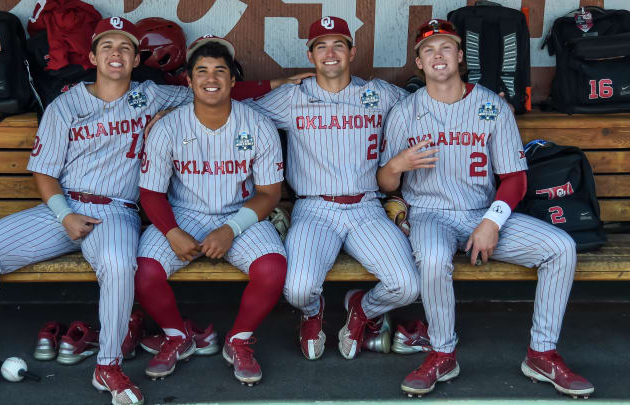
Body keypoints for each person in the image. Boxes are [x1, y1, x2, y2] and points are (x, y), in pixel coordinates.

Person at [0, 17, 198, 405]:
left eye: (125, 48)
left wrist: (169, 117)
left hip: (115, 212)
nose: (116, 54)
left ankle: (108, 366)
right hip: (62, 207)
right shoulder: (65, 105)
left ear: (135, 60)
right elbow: (45, 174)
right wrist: (64, 214)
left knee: (119, 263)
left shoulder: (150, 95)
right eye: (107, 47)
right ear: (92, 56)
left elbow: (209, 95)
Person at [377, 19, 594, 398]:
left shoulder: (493, 107)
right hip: (429, 212)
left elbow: (515, 179)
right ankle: (443, 352)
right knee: (431, 258)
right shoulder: (403, 112)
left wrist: (492, 223)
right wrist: (395, 166)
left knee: (560, 247)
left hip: (482, 210)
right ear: (419, 62)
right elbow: (385, 184)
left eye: (446, 47)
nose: (438, 55)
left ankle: (542, 353)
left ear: (460, 56)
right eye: (428, 50)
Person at [244, 16, 421, 361]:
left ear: (352, 52)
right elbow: (228, 107)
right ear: (310, 55)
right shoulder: (291, 97)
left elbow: (425, 105)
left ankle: (362, 308)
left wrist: (487, 101)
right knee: (296, 290)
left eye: (338, 44)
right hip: (314, 209)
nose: (330, 53)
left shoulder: (378, 93)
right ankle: (312, 311)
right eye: (321, 46)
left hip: (366, 208)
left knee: (407, 286)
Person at [134, 36, 287, 386]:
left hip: (240, 212)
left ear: (234, 80)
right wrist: (171, 231)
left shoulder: (257, 124)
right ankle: (177, 336)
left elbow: (268, 193)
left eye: (220, 70)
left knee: (272, 268)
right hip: (183, 212)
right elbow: (151, 192)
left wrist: (231, 229)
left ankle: (239, 340)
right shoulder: (169, 125)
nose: (211, 78)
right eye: (201, 71)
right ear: (188, 80)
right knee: (144, 272)